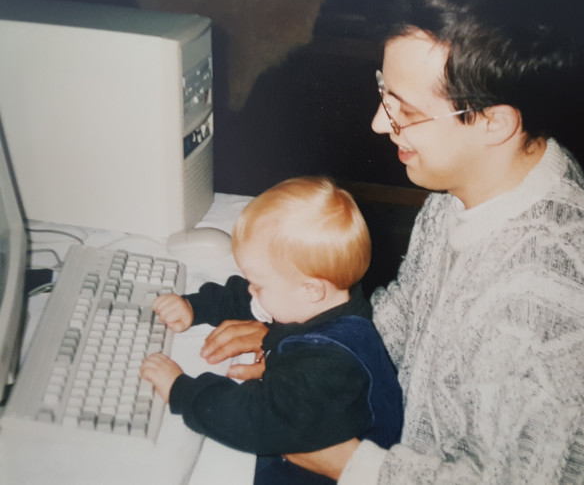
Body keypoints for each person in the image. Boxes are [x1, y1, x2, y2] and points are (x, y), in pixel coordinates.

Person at [200, 0, 584, 483]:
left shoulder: (550, 310)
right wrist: (314, 350)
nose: (377, 122)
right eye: (382, 91)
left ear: (494, 123)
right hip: (403, 436)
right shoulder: (465, 188)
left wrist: (352, 464)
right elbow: (406, 317)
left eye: (405, 110)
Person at [139, 176, 403, 485]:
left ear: (312, 289)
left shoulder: (331, 365)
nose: (252, 289)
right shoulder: (315, 300)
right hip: (297, 430)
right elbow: (248, 300)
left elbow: (256, 421)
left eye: (260, 284)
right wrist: (195, 307)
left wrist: (181, 391)